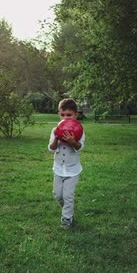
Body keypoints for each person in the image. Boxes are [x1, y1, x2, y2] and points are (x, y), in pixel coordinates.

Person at [48, 98, 85, 229]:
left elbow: (79, 147)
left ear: (76, 115)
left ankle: (67, 218)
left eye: (69, 115)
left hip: (72, 170)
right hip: (58, 169)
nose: (65, 118)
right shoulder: (55, 130)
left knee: (68, 195)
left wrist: (72, 141)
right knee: (57, 194)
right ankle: (68, 210)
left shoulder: (79, 130)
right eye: (62, 115)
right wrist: (57, 138)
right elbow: (51, 148)